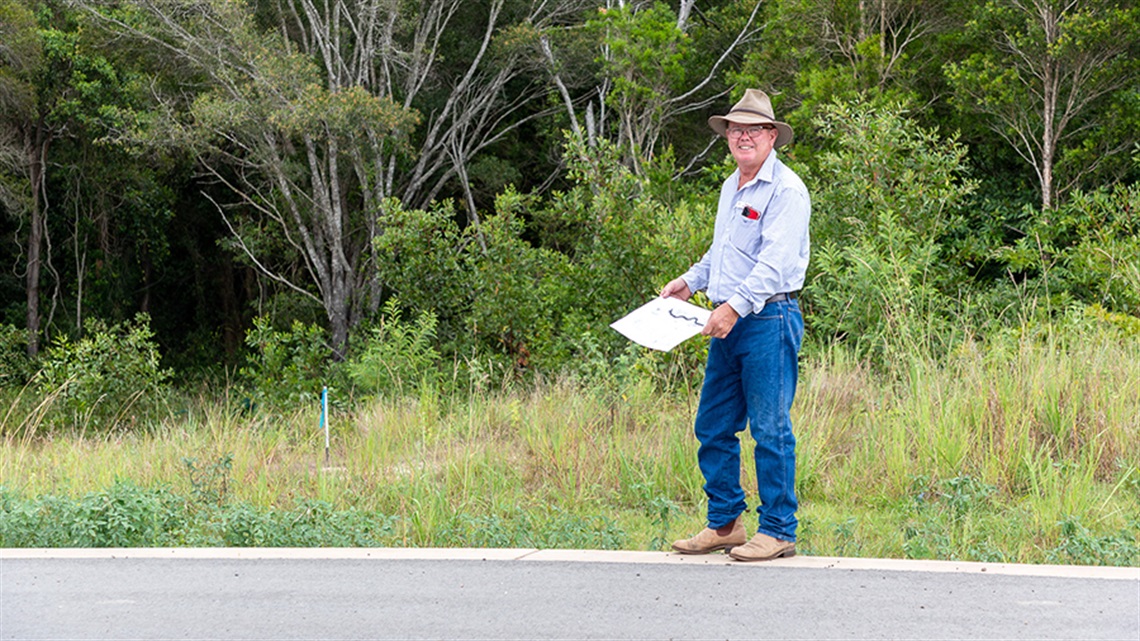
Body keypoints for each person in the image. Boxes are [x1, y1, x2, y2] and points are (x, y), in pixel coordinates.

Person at [661, 88, 810, 562]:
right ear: (727, 136)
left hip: (768, 317)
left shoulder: (787, 190)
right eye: (735, 129)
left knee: (770, 429)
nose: (743, 136)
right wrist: (689, 282)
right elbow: (723, 253)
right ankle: (725, 523)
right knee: (713, 425)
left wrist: (732, 307)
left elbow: (772, 264)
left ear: (772, 136)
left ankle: (779, 530)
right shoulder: (732, 186)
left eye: (754, 129)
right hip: (727, 321)